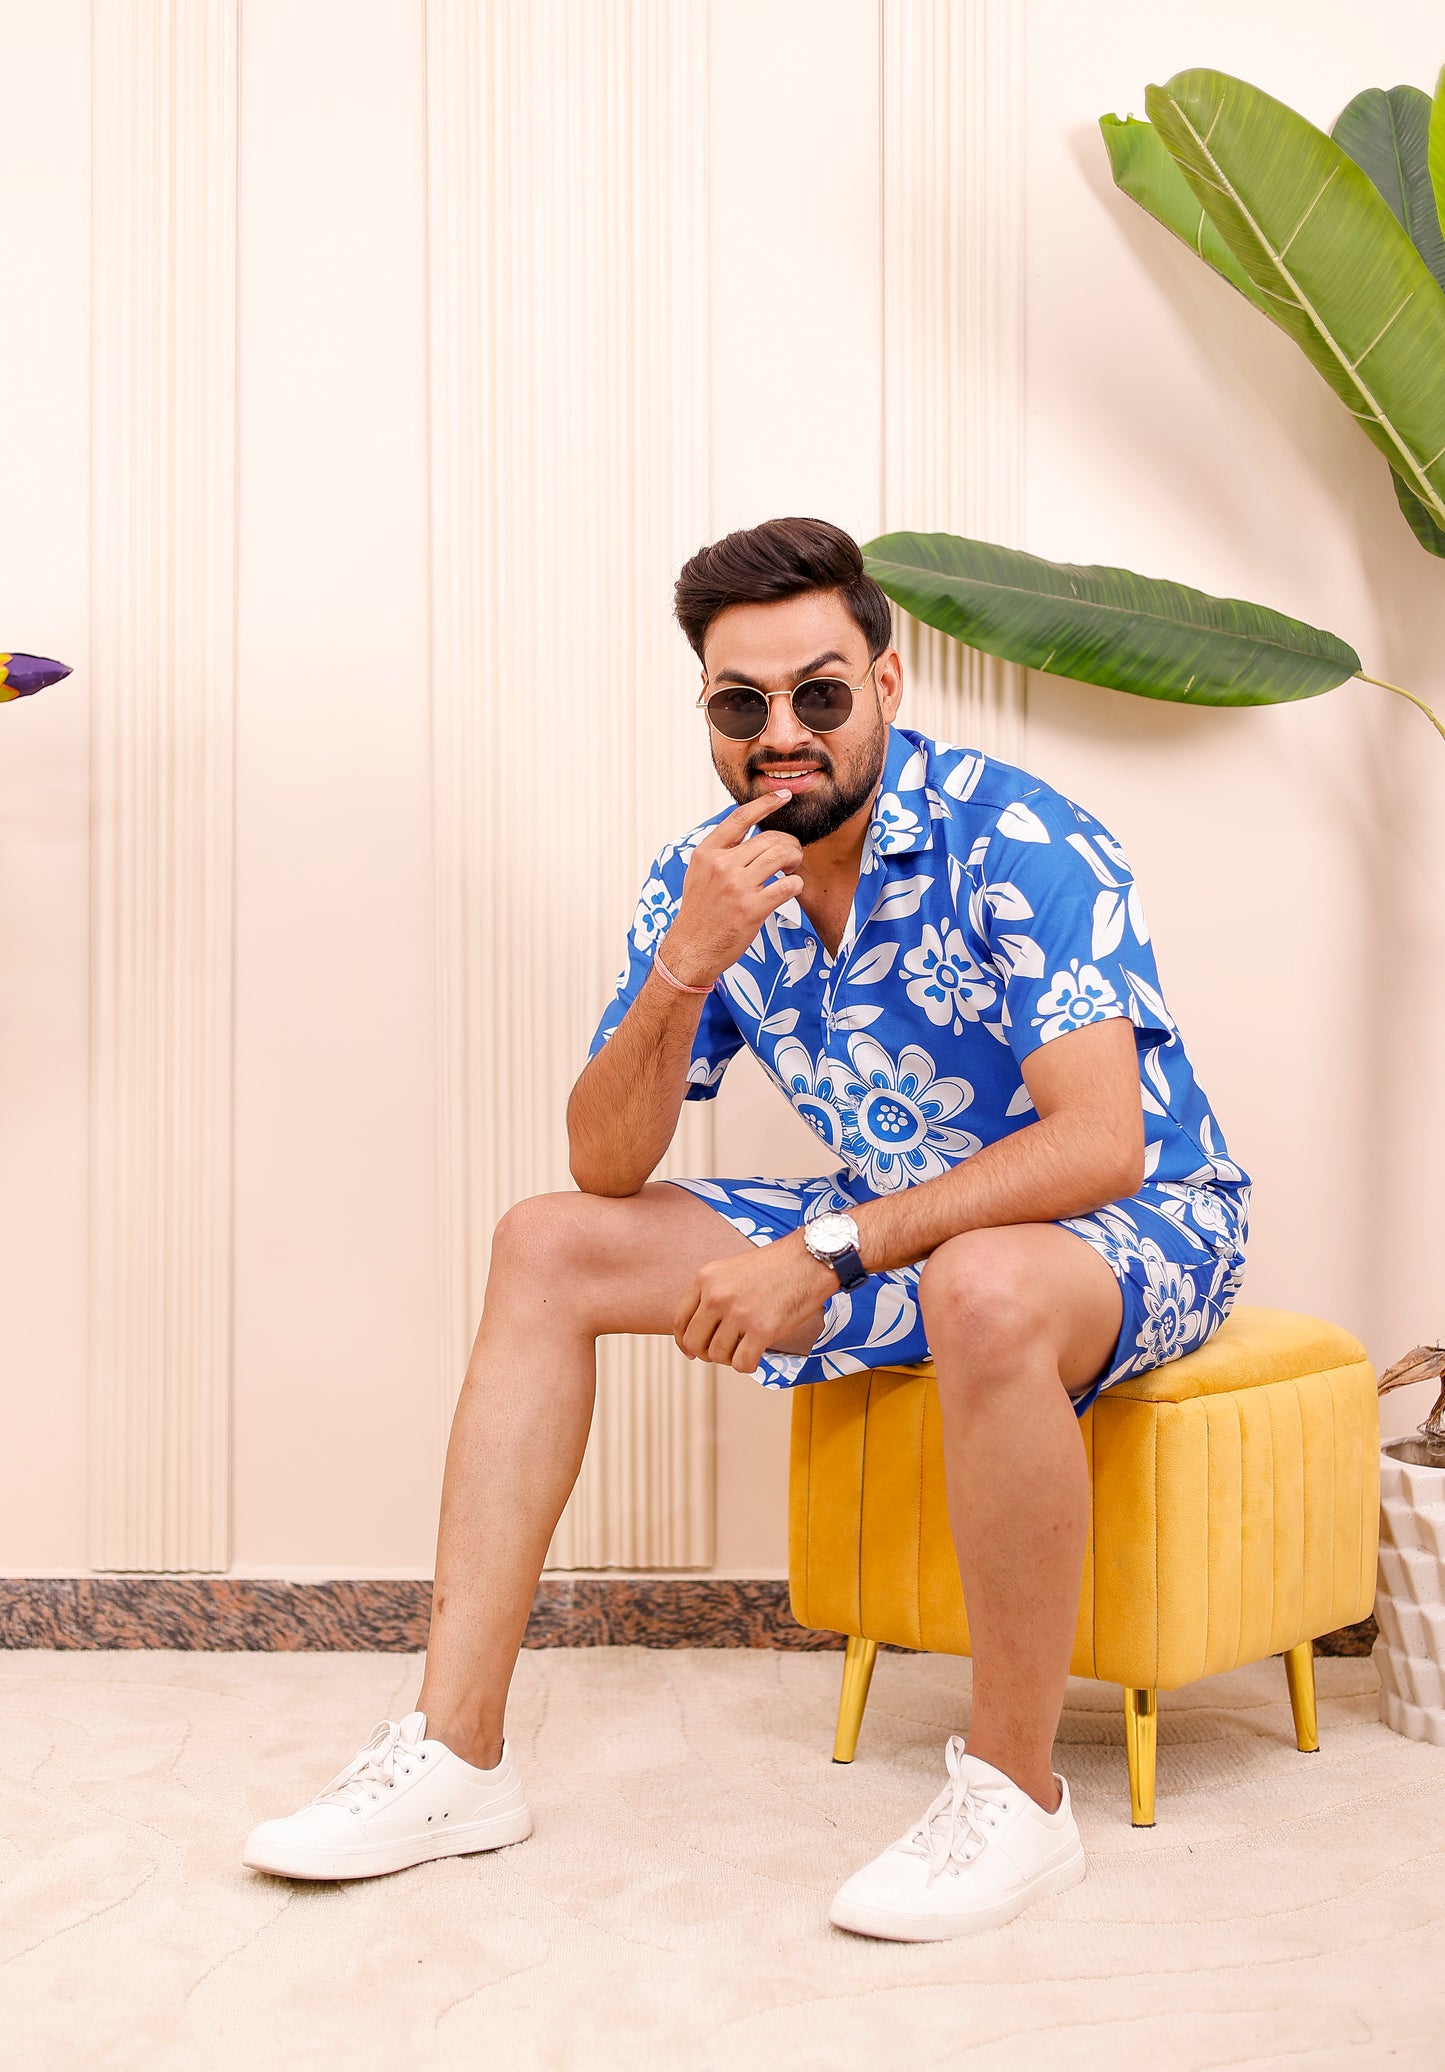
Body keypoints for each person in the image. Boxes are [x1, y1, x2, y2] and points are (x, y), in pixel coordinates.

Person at [243, 516, 1248, 1939]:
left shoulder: (1015, 836)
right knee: (543, 1245)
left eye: (818, 695)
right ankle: (454, 1757)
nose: (782, 734)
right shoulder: (708, 877)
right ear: (709, 714)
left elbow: (1097, 1139)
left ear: (884, 691)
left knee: (983, 1288)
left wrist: (829, 1252)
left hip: (1131, 1220)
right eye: (741, 704)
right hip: (914, 1225)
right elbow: (603, 1164)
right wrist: (680, 965)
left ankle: (1017, 1797)